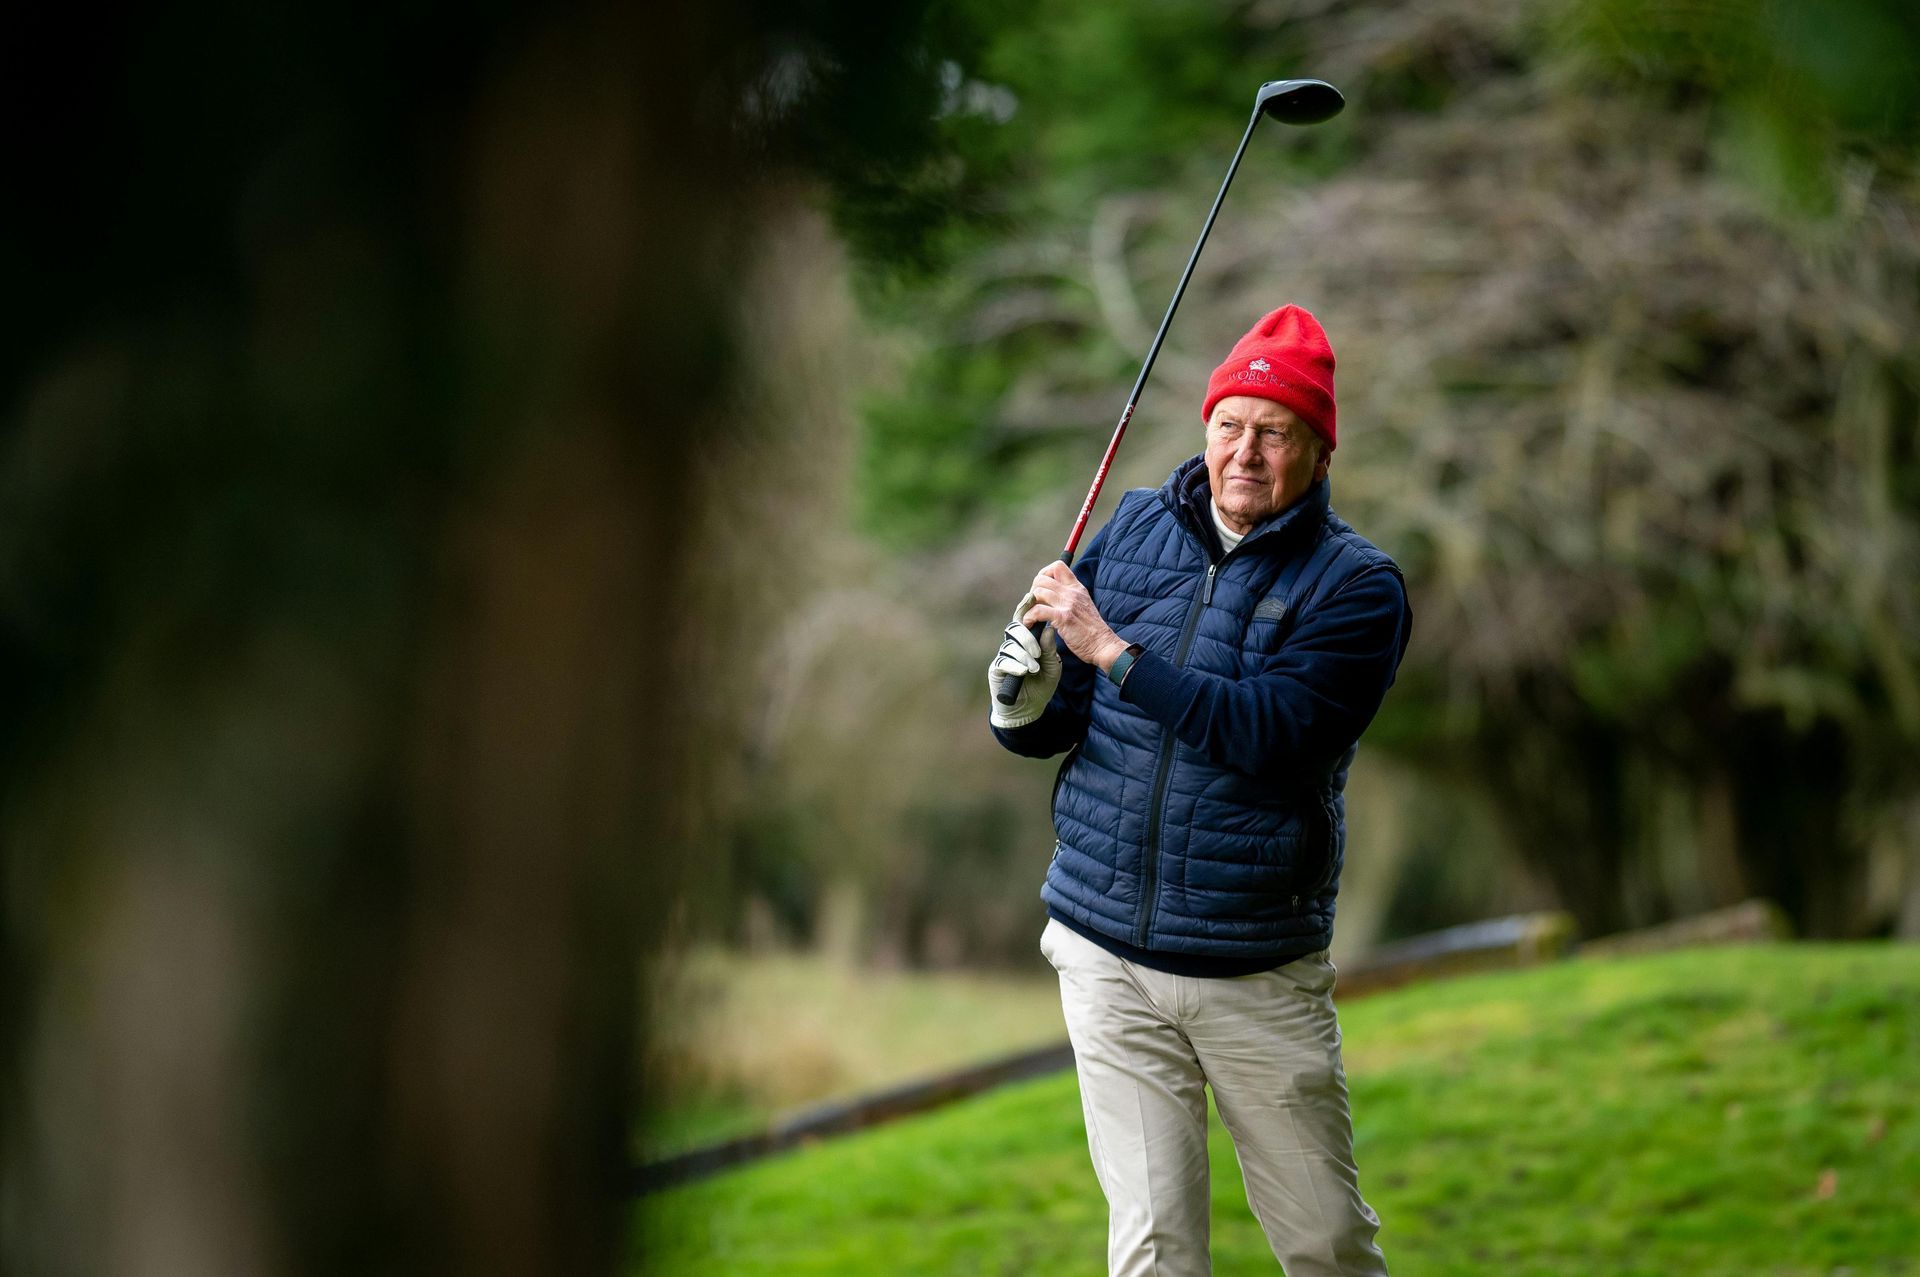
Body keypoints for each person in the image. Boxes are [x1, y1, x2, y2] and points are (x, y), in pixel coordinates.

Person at [987, 304, 1410, 1277]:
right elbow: (1067, 718)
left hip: (1250, 966)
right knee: (1153, 1248)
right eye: (1231, 425)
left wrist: (1113, 650)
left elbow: (1270, 735)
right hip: (1104, 950)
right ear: (1205, 428)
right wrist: (1021, 702)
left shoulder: (1357, 586)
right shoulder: (1133, 527)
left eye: (1276, 433)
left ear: (1317, 451)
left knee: (1325, 1243)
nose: (1247, 452)